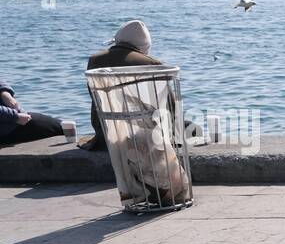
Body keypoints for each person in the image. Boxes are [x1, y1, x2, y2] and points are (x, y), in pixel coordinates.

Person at [80, 20, 163, 151]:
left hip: (104, 137)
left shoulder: (95, 60)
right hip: (144, 139)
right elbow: (166, 103)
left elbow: (94, 95)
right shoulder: (152, 64)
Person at [0, 79, 65, 147]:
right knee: (63, 128)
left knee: (63, 127)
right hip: (10, 125)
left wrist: (4, 92)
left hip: (11, 119)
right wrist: (14, 116)